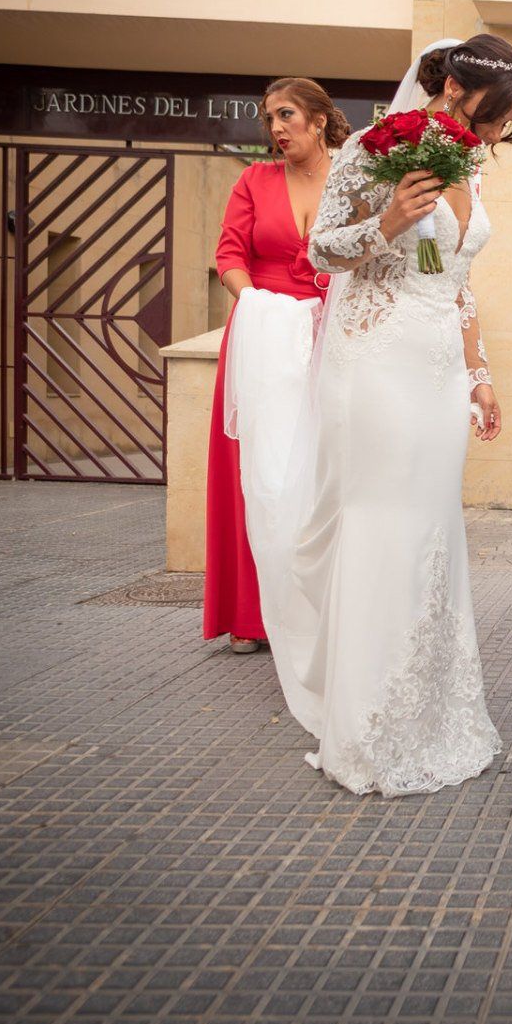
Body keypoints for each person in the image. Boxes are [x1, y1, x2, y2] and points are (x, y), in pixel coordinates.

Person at [267, 34, 512, 796]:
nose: (494, 139)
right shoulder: (369, 148)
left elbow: (447, 276)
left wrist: (479, 372)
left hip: (436, 369)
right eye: (493, 122)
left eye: (504, 129)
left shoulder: (466, 169)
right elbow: (322, 252)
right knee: (384, 520)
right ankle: (368, 726)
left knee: (430, 526)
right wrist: (387, 219)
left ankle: (431, 712)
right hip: (376, 361)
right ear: (454, 91)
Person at [203, 78, 345, 653]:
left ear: (318, 118)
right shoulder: (254, 180)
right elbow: (229, 253)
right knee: (256, 473)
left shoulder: (352, 180)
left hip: (331, 334)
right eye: (269, 119)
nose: (276, 128)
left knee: (320, 468)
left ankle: (319, 610)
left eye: (286, 115)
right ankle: (251, 616)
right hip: (262, 338)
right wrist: (256, 303)